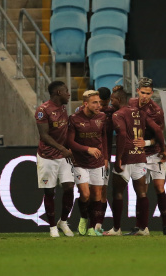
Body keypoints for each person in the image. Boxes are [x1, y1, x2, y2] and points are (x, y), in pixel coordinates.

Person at [103, 88, 166, 236]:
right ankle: (143, 228)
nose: (111, 102)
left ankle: (116, 229)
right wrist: (163, 149)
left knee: (118, 193)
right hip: (140, 158)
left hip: (126, 158)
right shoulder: (140, 113)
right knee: (142, 193)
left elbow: (122, 134)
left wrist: (118, 158)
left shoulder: (117, 114)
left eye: (113, 100)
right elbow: (158, 129)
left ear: (118, 100)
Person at [126, 78, 166, 235]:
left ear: (152, 93)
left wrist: (145, 143)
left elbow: (159, 135)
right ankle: (141, 227)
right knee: (141, 190)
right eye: (142, 92)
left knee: (159, 187)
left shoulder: (156, 111)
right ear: (138, 90)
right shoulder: (131, 103)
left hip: (155, 152)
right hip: (139, 155)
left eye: (148, 93)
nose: (145, 96)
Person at [34, 81, 75, 238]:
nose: (69, 94)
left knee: (69, 188)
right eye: (66, 91)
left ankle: (63, 222)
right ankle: (52, 226)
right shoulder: (42, 110)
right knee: (49, 191)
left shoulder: (64, 108)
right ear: (58, 93)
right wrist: (63, 149)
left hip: (63, 157)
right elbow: (44, 135)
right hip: (47, 156)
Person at [67, 90, 108, 236]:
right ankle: (84, 217)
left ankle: (91, 227)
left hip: (98, 162)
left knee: (97, 194)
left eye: (99, 102)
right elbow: (70, 141)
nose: (99, 105)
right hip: (80, 162)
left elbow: (103, 138)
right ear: (86, 104)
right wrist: (87, 149)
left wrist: (105, 158)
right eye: (95, 102)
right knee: (85, 194)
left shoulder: (102, 117)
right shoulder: (74, 119)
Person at [96, 86, 116, 229]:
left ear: (108, 101)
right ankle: (88, 222)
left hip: (105, 157)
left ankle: (98, 224)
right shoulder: (87, 112)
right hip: (86, 157)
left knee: (103, 190)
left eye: (103, 104)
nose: (100, 107)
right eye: (98, 103)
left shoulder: (113, 113)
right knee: (88, 192)